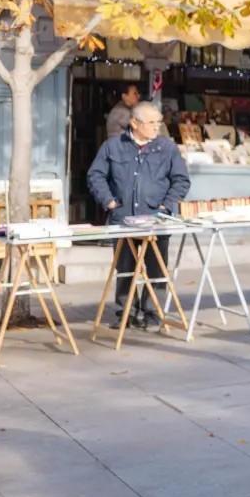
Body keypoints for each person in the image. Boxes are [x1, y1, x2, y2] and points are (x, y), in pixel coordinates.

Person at [87, 101, 190, 331]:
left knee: (156, 269)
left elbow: (181, 180)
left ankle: (153, 313)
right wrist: (109, 201)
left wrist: (167, 205)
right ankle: (126, 313)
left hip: (156, 219)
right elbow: (96, 175)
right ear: (134, 123)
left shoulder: (167, 147)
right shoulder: (113, 146)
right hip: (123, 218)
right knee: (125, 268)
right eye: (151, 122)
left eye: (158, 122)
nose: (157, 127)